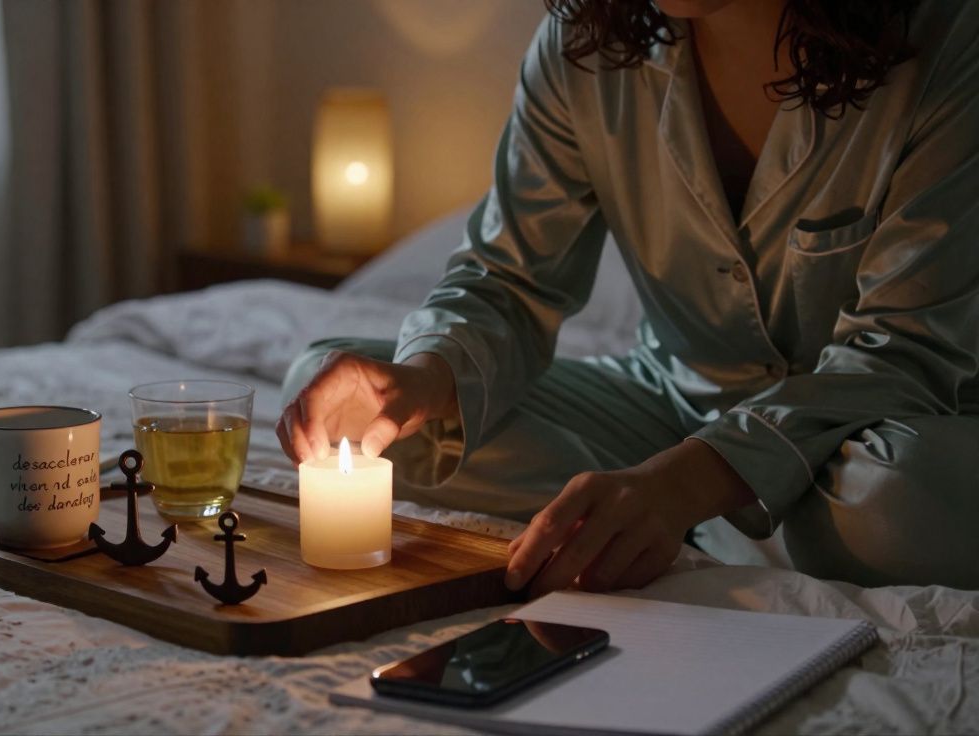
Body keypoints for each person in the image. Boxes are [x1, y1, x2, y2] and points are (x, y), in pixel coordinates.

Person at [277, 0, 979, 595]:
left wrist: (684, 486)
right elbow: (510, 277)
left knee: (891, 501)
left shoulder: (945, 36)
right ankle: (674, 512)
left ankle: (678, 507)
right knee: (338, 400)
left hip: (875, 429)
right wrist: (423, 377)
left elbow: (904, 355)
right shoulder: (586, 43)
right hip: (670, 404)